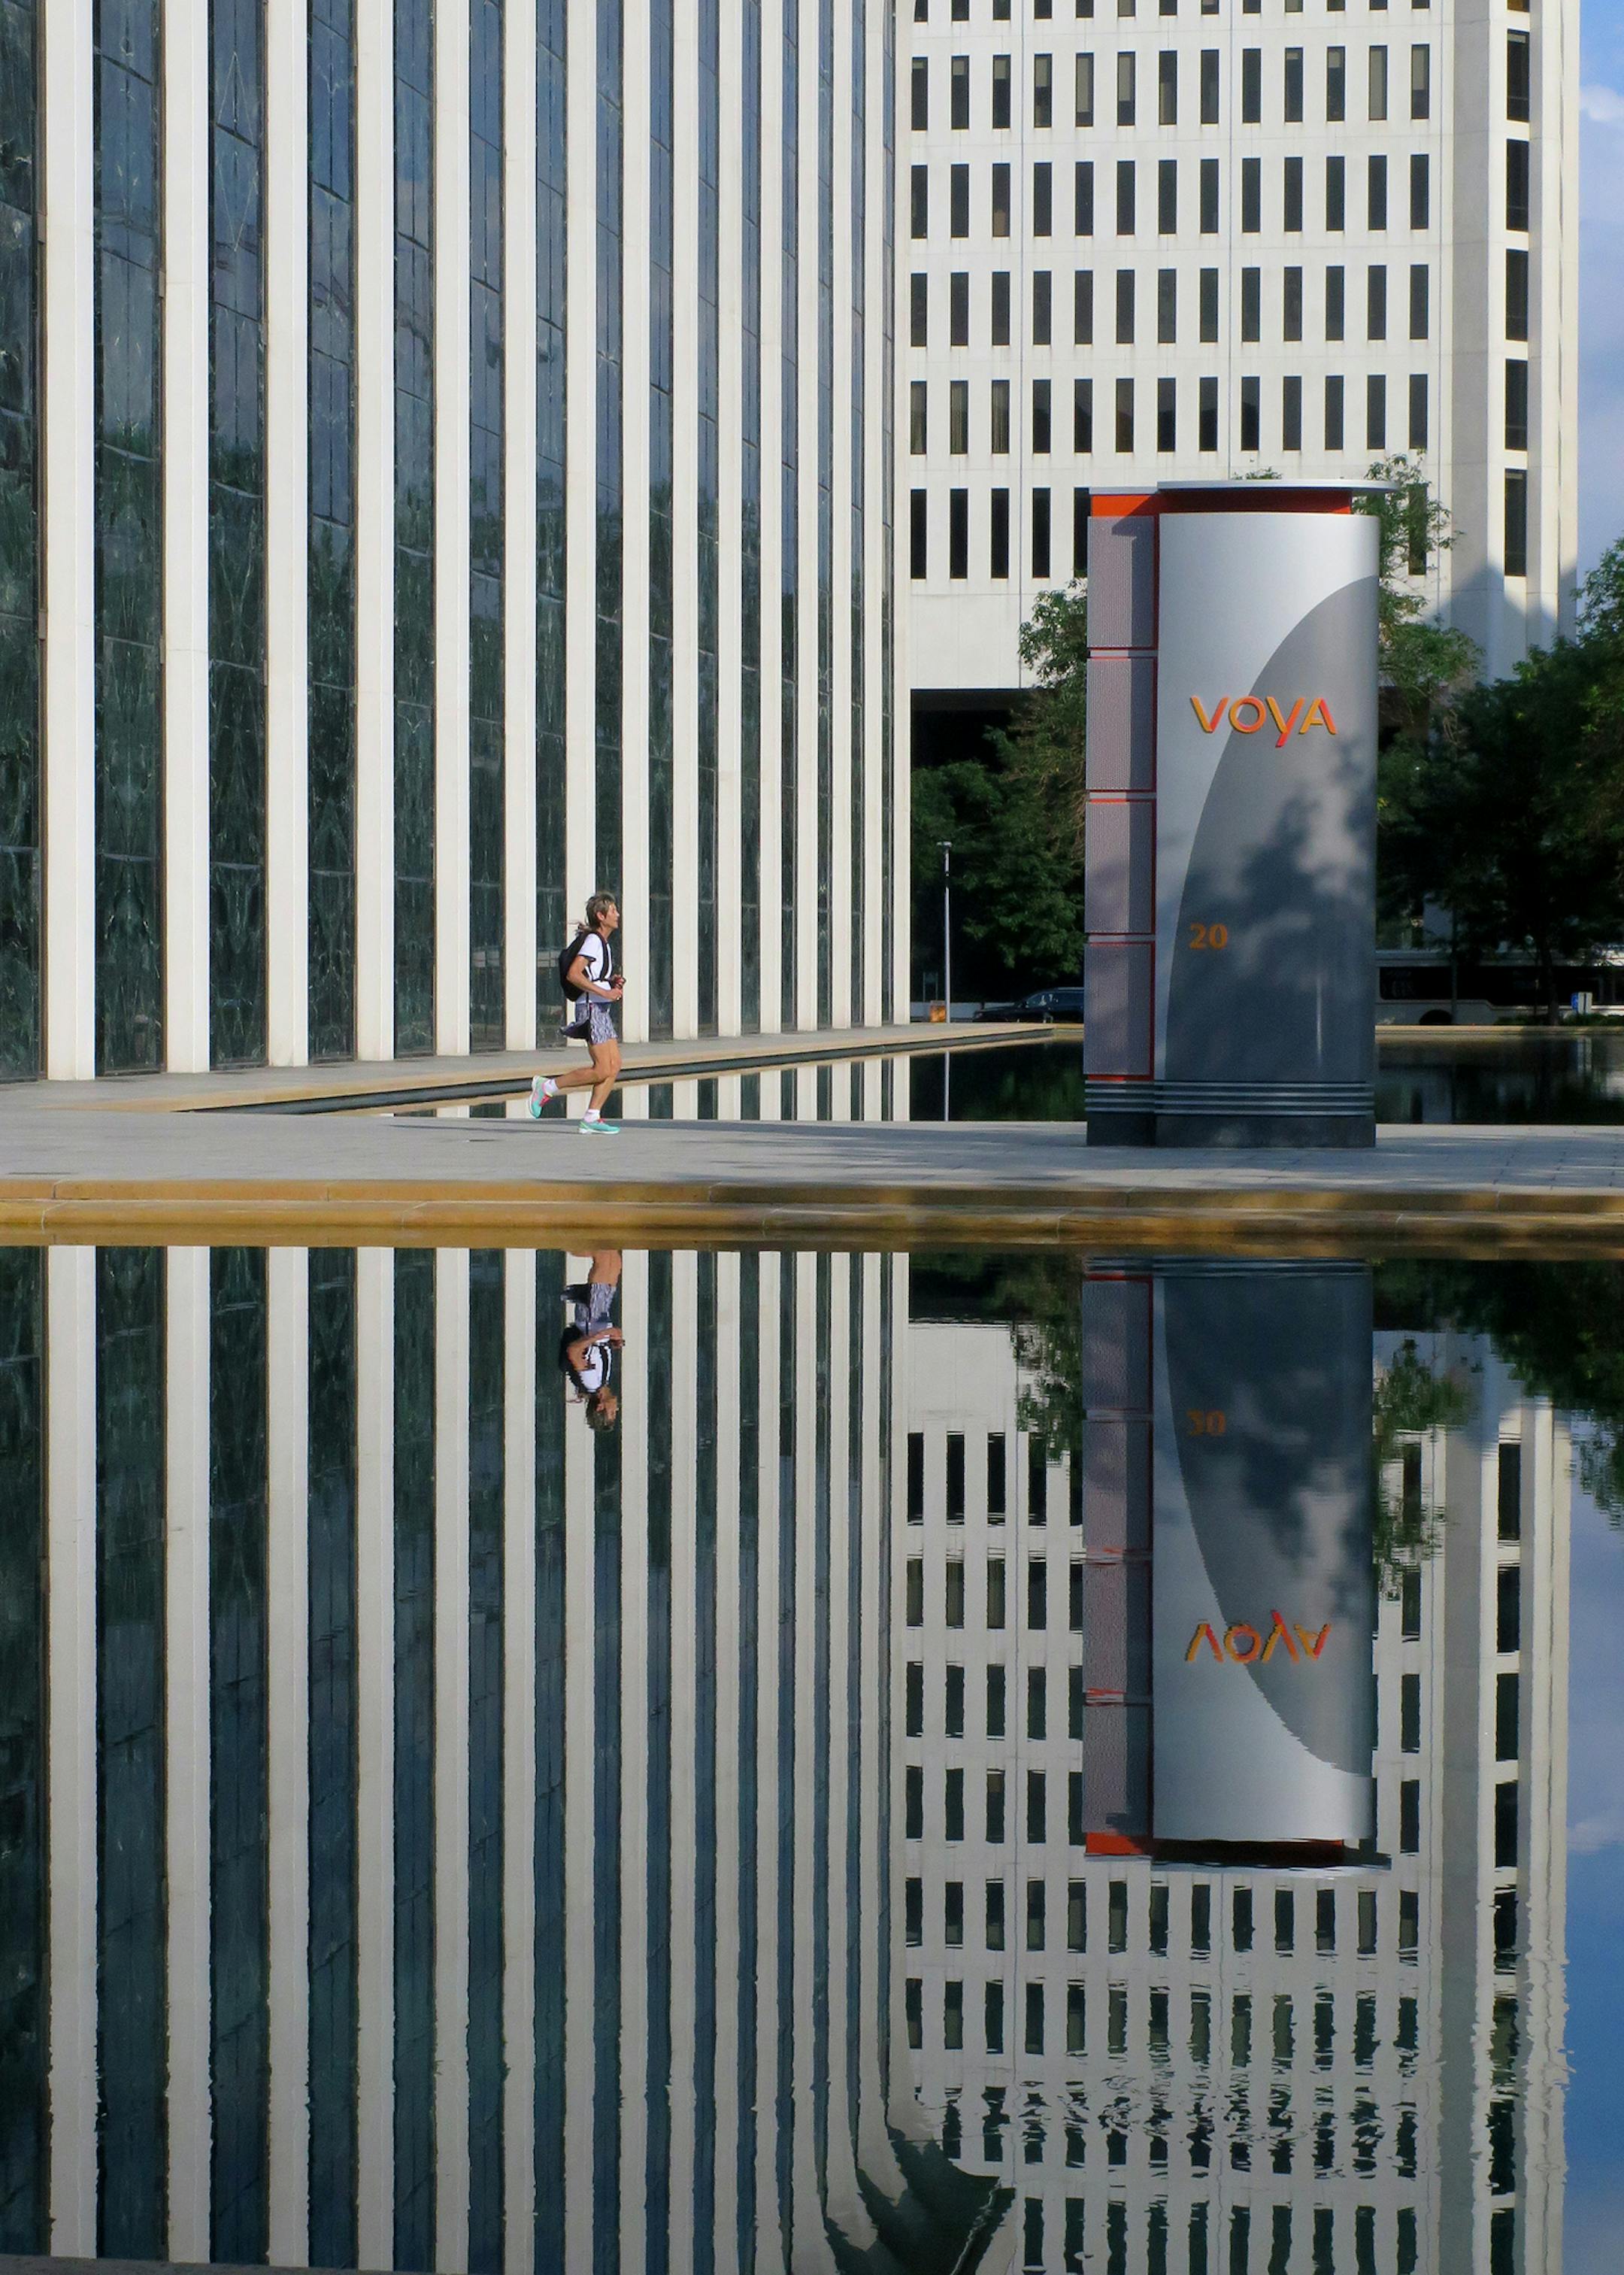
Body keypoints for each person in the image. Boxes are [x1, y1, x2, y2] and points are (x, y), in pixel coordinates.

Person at [529, 892, 624, 1134]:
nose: (617, 915)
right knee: (602, 1068)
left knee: (614, 1065)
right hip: (592, 1009)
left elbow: (592, 975)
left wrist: (610, 982)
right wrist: (604, 992)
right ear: (601, 916)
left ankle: (592, 1117)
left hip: (600, 1008)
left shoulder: (603, 943)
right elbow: (574, 974)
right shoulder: (593, 941)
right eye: (613, 911)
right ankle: (547, 1087)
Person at [557, 1251, 624, 1430]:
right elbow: (596, 1352)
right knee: (614, 1263)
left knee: (603, 1260)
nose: (616, 1409)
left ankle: (576, 1248)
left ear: (600, 1407)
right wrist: (613, 1341)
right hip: (600, 1319)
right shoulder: (602, 1381)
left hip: (591, 1319)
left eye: (612, 1413)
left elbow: (574, 1351)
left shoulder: (591, 1382)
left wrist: (602, 1335)